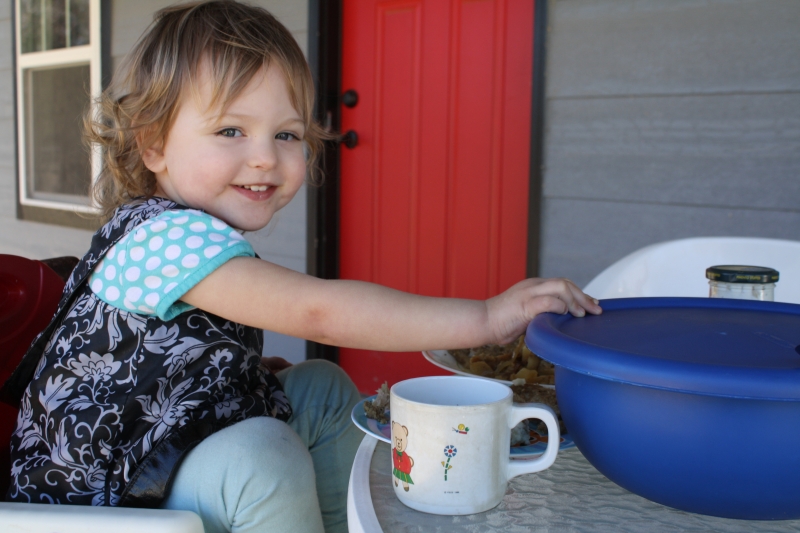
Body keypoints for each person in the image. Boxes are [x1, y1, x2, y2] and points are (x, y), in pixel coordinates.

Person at [0, 1, 602, 532]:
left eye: (287, 134)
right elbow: (319, 310)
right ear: (153, 144)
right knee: (264, 455)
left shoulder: (192, 235)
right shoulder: (160, 240)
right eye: (231, 130)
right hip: (106, 500)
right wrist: (487, 317)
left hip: (166, 448)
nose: (265, 157)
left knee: (320, 387)